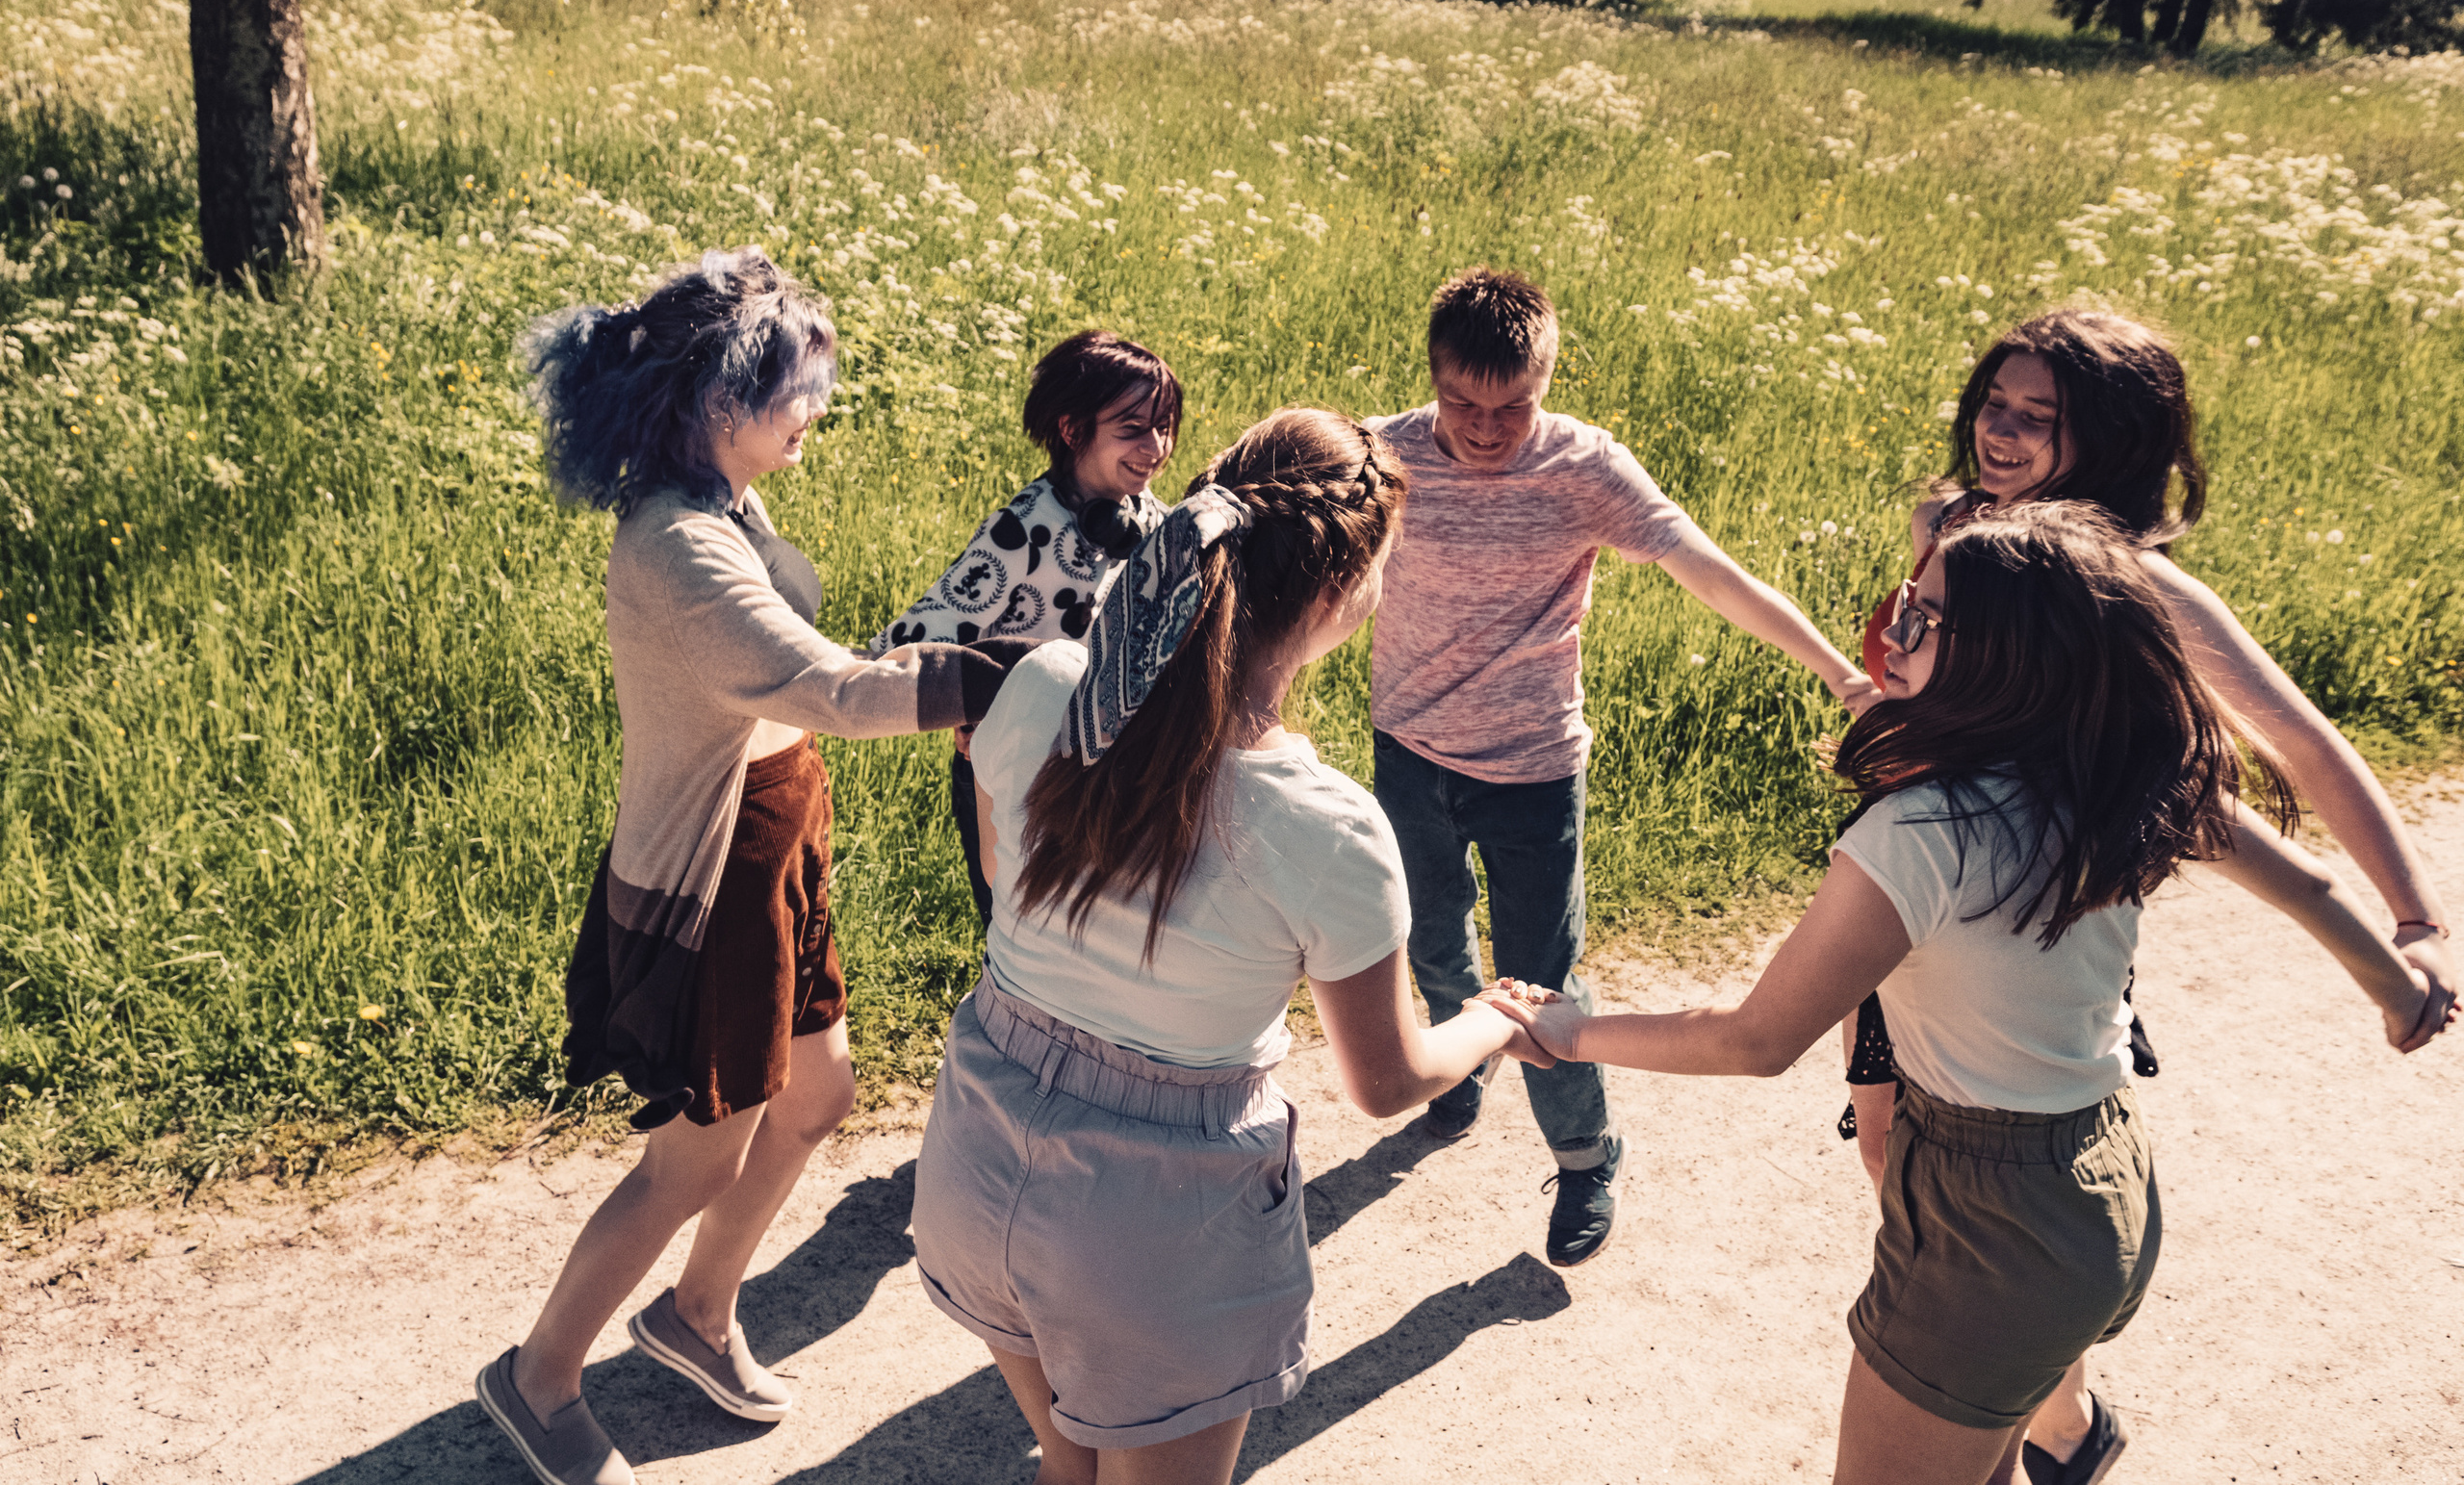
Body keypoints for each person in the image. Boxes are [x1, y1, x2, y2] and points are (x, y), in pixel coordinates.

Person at [1490, 501, 2443, 1485]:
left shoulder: (1921, 835)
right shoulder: (2123, 773)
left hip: (1988, 1224)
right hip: (2104, 1177)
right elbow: (2314, 887)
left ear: (2004, 656)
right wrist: (2398, 992)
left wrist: (1568, 1032)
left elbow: (1754, 1039)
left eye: (1923, 617)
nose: (1891, 631)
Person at [1842, 310, 2459, 1481]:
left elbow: (2300, 742)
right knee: (1886, 1144)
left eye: (2040, 419)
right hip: (1909, 881)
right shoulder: (1948, 523)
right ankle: (2038, 1392)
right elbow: (1936, 670)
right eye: (1995, 404)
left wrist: (2417, 920)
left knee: (1993, 1161)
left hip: (2032, 919)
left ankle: (2038, 1401)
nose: (2002, 433)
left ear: (2112, 442)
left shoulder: (2136, 587)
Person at [911, 407, 1556, 1485]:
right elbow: (1387, 1080)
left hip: (974, 1151)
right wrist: (1495, 1018)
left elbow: (1000, 875)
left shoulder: (1044, 684)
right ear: (1347, 592)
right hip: (1150, 1230)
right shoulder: (1325, 829)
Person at [477, 250, 1010, 1485]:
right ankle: (538, 1373)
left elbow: (812, 671)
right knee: (696, 1158)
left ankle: (693, 1317)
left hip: (777, 839)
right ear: (721, 404)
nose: (815, 409)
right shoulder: (677, 548)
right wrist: (1022, 668)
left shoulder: (722, 496)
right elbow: (829, 687)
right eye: (799, 390)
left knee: (818, 1097)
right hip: (708, 876)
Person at [1366, 266, 1883, 1267]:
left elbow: (1714, 574)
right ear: (1429, 376)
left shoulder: (1584, 470)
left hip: (1530, 772)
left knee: (1538, 983)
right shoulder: (1380, 455)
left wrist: (1837, 673)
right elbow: (1261, 520)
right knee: (1430, 942)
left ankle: (1584, 1154)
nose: (1481, 427)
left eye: (1509, 405)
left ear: (1546, 381)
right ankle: (1454, 1068)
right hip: (1408, 753)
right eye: (1459, 402)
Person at [871, 330, 1179, 925]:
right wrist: (967, 706)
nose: (1156, 446)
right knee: (1014, 922)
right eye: (1133, 428)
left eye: (1164, 426)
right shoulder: (1023, 531)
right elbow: (917, 638)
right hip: (1010, 767)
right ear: (1072, 430)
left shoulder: (1153, 524)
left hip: (1107, 765)